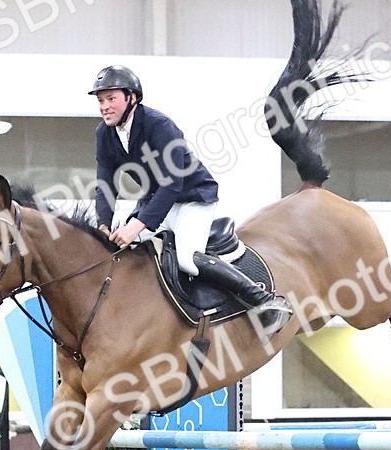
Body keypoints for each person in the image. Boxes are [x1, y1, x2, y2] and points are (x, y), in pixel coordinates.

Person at [89, 65, 292, 337]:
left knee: (188, 260)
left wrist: (136, 226)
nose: (104, 106)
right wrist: (103, 225)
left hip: (192, 198)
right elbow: (105, 185)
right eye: (101, 100)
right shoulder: (104, 134)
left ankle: (264, 300)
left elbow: (172, 184)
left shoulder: (159, 126)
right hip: (155, 201)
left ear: (132, 98)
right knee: (119, 248)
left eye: (111, 98)